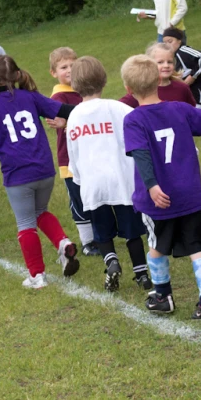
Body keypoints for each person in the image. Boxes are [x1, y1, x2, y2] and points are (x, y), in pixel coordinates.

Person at [121, 55, 201, 319]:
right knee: (197, 246)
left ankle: (163, 295)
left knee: (156, 246)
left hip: (159, 199)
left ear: (128, 90)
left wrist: (152, 186)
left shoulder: (133, 119)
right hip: (191, 195)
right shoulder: (179, 109)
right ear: (159, 80)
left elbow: (141, 154)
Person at [0, 55, 80, 289]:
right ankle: (63, 243)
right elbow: (65, 110)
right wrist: (93, 105)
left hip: (18, 175)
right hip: (45, 170)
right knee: (41, 211)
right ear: (17, 75)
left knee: (26, 223)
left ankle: (37, 275)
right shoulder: (30, 97)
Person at [66, 56, 151, 291]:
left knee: (102, 231)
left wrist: (79, 179)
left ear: (74, 85)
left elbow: (73, 154)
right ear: (104, 81)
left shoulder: (74, 116)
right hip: (121, 181)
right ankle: (142, 274)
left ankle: (111, 262)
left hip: (93, 183)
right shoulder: (118, 108)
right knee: (132, 230)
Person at [48, 47, 99, 256]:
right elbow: (55, 118)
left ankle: (100, 234)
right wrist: (65, 123)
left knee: (94, 195)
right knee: (78, 199)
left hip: (92, 154)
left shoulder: (84, 90)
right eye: (63, 67)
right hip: (70, 159)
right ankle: (87, 241)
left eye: (72, 65)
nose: (69, 70)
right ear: (54, 72)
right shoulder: (59, 96)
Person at [119, 43, 196, 108]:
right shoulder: (143, 89)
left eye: (169, 62)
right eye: (160, 62)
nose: (166, 65)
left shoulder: (182, 88)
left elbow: (192, 113)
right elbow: (118, 108)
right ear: (150, 64)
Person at [162, 28, 201, 109]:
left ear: (179, 41)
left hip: (196, 98)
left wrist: (192, 76)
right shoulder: (174, 56)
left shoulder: (182, 50)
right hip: (185, 99)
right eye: (165, 42)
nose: (167, 45)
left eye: (170, 41)